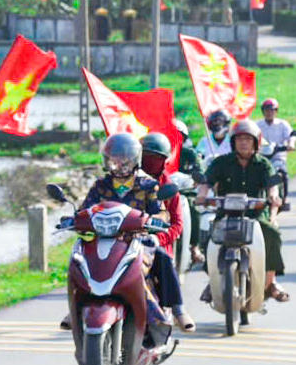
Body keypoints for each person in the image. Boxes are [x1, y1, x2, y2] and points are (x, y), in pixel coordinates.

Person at [63, 134, 188, 331]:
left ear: (135, 160)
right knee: (78, 259)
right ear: (107, 160)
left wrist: (153, 223)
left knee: (162, 257)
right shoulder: (100, 186)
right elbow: (85, 209)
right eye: (114, 158)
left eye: (124, 159)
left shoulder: (148, 185)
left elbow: (162, 213)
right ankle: (76, 306)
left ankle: (177, 309)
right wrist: (73, 219)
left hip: (138, 240)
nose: (119, 163)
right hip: (104, 240)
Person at [199, 120, 289, 302]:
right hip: (226, 213)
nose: (243, 142)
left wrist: (273, 196)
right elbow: (206, 181)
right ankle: (213, 281)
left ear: (256, 142)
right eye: (239, 139)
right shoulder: (221, 162)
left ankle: (270, 283)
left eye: (248, 139)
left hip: (255, 214)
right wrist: (202, 195)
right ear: (233, 142)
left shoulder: (263, 164)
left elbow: (272, 185)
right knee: (210, 239)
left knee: (272, 234)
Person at [139, 132, 196, 332]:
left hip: (154, 245)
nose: (149, 162)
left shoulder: (169, 188)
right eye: (145, 157)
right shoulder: (125, 182)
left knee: (162, 257)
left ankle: (178, 308)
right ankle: (82, 304)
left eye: (155, 158)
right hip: (124, 240)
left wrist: (157, 238)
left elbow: (177, 225)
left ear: (163, 161)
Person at [172, 118, 206, 267]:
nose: (173, 138)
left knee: (193, 208)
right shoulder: (158, 154)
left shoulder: (189, 154)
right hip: (161, 195)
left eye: (177, 135)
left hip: (185, 194)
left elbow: (200, 173)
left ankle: (194, 246)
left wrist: (194, 180)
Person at [256, 97, 296, 205]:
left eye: (272, 110)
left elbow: (292, 135)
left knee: (283, 173)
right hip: (262, 156)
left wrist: (290, 144)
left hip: (278, 156)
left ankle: (284, 198)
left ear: (276, 111)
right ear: (263, 111)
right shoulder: (257, 125)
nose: (269, 113)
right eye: (266, 110)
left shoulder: (283, 124)